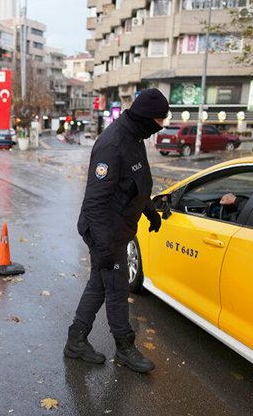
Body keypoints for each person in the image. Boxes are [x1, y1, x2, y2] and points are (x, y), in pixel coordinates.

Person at [64, 89, 168, 373]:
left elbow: (135, 182)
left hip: (119, 226)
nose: (162, 126)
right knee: (117, 289)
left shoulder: (136, 137)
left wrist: (148, 211)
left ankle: (76, 340)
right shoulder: (113, 143)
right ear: (146, 118)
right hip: (105, 229)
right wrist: (105, 246)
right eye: (159, 120)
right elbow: (95, 202)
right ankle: (124, 348)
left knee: (99, 284)